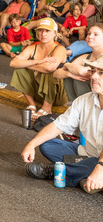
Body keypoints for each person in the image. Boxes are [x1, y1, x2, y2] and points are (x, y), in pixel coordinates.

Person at [21, 56, 103, 193]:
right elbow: (58, 126)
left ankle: (59, 173)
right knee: (47, 144)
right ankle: (85, 176)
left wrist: (100, 166)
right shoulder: (83, 101)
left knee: (94, 164)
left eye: (101, 73)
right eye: (92, 71)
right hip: (87, 155)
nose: (94, 76)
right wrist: (31, 144)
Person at [10, 18, 68, 119]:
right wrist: (36, 61)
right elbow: (13, 63)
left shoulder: (60, 49)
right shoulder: (33, 47)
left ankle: (47, 108)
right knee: (20, 69)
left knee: (49, 72)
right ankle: (32, 105)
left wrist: (25, 63)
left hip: (57, 96)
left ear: (55, 33)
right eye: (40, 30)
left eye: (47, 31)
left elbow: (49, 68)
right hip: (39, 93)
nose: (43, 34)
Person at [54, 24, 103, 103]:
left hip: (98, 102)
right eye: (89, 34)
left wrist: (68, 65)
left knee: (79, 78)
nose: (90, 37)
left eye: (96, 34)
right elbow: (56, 73)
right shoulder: (86, 57)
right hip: (78, 102)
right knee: (71, 75)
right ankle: (75, 106)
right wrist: (70, 74)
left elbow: (82, 72)